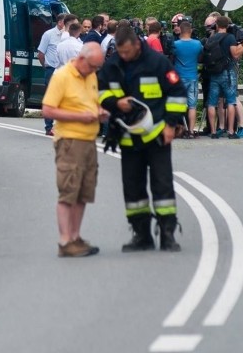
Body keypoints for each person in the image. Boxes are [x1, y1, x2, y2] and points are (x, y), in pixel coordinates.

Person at [99, 26, 188, 252]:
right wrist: (115, 102)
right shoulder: (113, 65)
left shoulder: (158, 63)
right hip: (128, 136)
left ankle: (167, 234)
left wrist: (170, 124)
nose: (125, 56)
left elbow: (177, 93)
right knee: (133, 189)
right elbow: (100, 92)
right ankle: (142, 235)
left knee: (163, 184)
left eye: (128, 52)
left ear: (137, 45)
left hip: (158, 134)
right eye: (121, 52)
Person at [41, 43, 109, 258]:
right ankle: (65, 240)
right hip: (70, 142)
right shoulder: (62, 76)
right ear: (82, 59)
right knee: (68, 191)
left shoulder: (90, 75)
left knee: (83, 192)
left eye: (97, 68)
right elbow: (48, 109)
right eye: (93, 66)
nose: (94, 71)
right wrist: (82, 117)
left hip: (89, 141)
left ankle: (75, 237)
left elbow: (90, 102)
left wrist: (98, 111)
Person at [205, 16, 243, 139]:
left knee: (212, 102)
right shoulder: (230, 38)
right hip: (228, 72)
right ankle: (230, 131)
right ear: (228, 26)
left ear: (217, 25)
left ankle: (214, 131)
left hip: (214, 73)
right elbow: (235, 54)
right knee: (231, 101)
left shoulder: (212, 38)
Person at [172, 20, 203, 137]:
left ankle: (176, 129)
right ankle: (190, 130)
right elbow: (201, 56)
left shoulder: (176, 45)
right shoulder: (197, 44)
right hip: (193, 77)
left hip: (179, 78)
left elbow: (172, 57)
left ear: (180, 30)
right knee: (192, 105)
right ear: (190, 31)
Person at [37, 13, 66, 136]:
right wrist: (46, 66)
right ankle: (49, 127)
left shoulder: (68, 36)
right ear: (60, 22)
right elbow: (41, 53)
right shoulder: (48, 34)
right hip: (51, 69)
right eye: (66, 22)